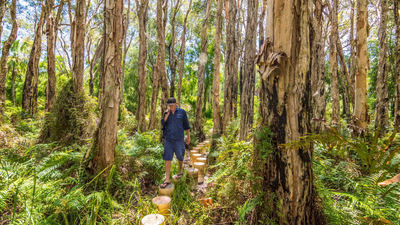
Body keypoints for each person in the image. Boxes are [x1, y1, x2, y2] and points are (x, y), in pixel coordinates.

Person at [160, 97, 191, 188]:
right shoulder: (167, 113)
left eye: (172, 105)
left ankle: (180, 169)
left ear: (176, 104)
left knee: (180, 156)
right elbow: (163, 124)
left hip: (179, 139)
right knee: (167, 157)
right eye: (169, 105)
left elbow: (186, 126)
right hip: (168, 139)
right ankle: (167, 179)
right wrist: (166, 116)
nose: (171, 107)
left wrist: (188, 137)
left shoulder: (182, 112)